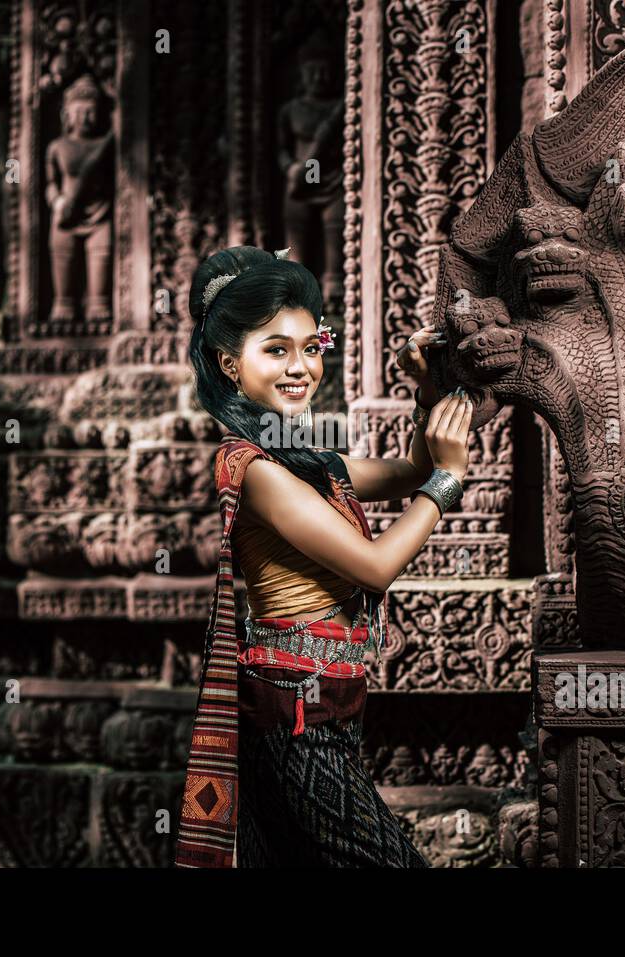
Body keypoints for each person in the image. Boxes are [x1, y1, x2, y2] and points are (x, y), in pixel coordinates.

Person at [175, 245, 473, 868]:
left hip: (323, 709)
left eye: (311, 347)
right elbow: (375, 565)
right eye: (275, 349)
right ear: (230, 365)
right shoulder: (252, 468)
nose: (301, 366)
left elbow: (410, 468)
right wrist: (446, 484)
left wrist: (424, 391)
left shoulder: (304, 464)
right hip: (295, 719)